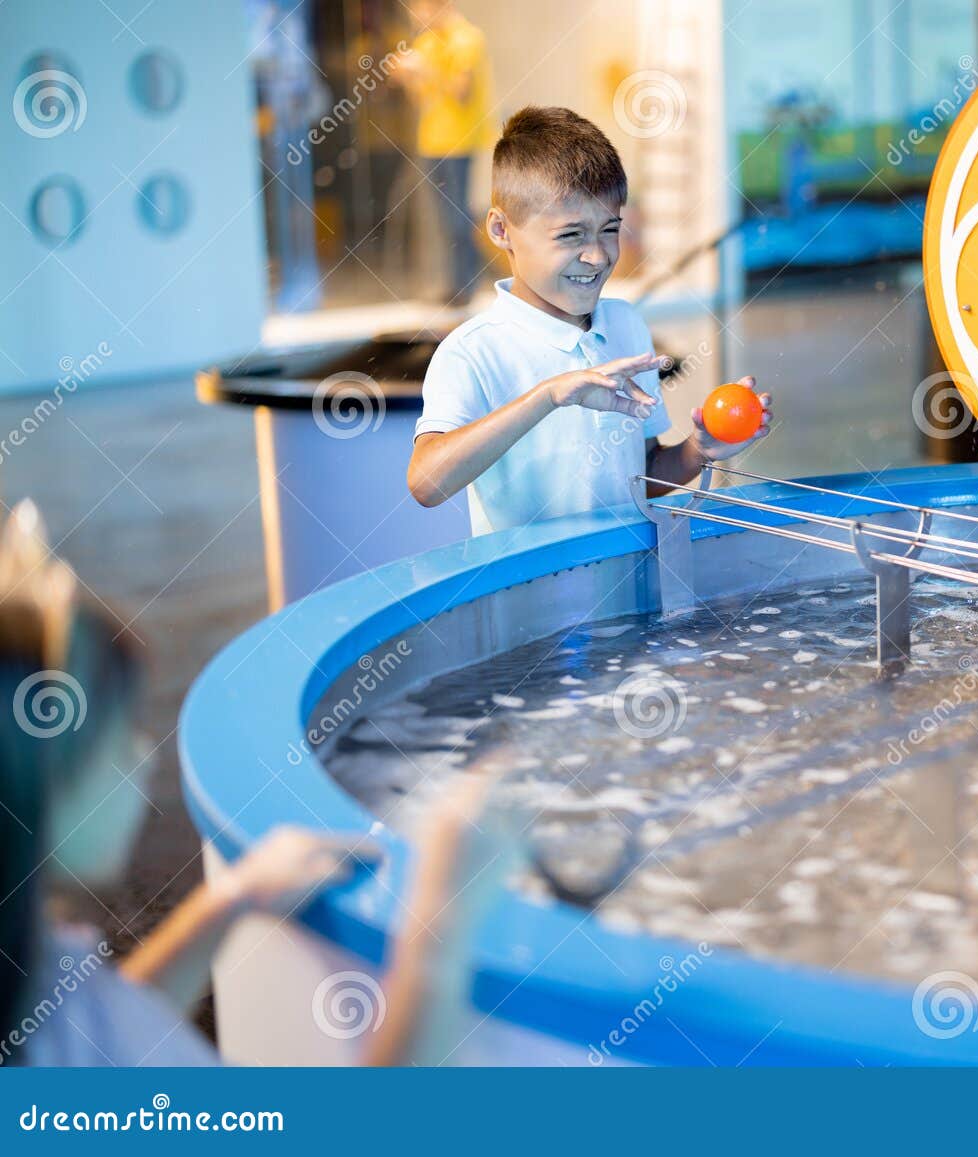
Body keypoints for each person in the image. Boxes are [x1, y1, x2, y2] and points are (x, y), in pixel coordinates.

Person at [0, 503, 517, 1066]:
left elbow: (102, 1041)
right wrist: (442, 917)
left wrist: (229, 900)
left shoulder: (30, 973)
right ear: (39, 787)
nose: (145, 756)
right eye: (119, 743)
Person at [406, 107, 773, 536]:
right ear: (502, 230)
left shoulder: (624, 324)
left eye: (609, 229)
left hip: (625, 574)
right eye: (571, 235)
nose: (597, 256)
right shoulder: (473, 351)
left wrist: (699, 449)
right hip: (534, 581)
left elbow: (644, 474)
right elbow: (426, 484)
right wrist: (548, 396)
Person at [393, 0, 494, 303]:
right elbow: (421, 98)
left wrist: (426, 69)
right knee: (443, 219)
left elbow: (461, 93)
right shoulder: (426, 42)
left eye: (421, 8)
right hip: (432, 140)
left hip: (460, 140)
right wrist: (408, 76)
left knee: (457, 215)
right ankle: (455, 284)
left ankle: (468, 283)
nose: (416, 15)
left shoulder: (466, 38)